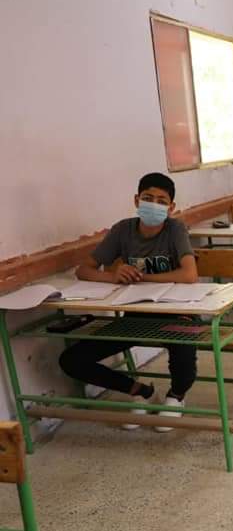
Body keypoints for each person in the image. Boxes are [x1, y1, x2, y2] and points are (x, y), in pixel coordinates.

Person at [59, 173, 197, 432]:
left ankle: (176, 396)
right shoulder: (123, 230)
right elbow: (84, 270)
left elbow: (189, 275)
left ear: (171, 207)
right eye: (147, 198)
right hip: (136, 315)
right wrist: (113, 276)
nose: (154, 205)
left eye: (161, 201)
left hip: (178, 312)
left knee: (184, 352)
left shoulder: (175, 230)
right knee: (72, 360)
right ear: (136, 200)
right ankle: (141, 392)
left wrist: (143, 277)